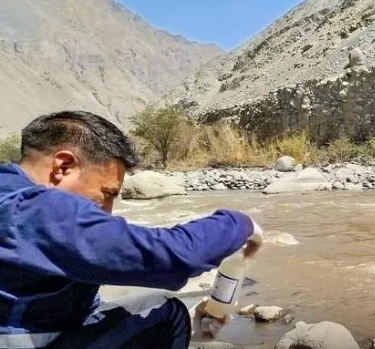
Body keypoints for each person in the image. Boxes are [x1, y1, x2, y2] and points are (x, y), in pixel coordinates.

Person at [0, 110, 263, 348]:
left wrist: (192, 327)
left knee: (159, 312)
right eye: (108, 194)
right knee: (167, 314)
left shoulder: (10, 193)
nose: (108, 211)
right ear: (63, 166)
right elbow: (173, 256)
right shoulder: (32, 210)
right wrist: (239, 222)